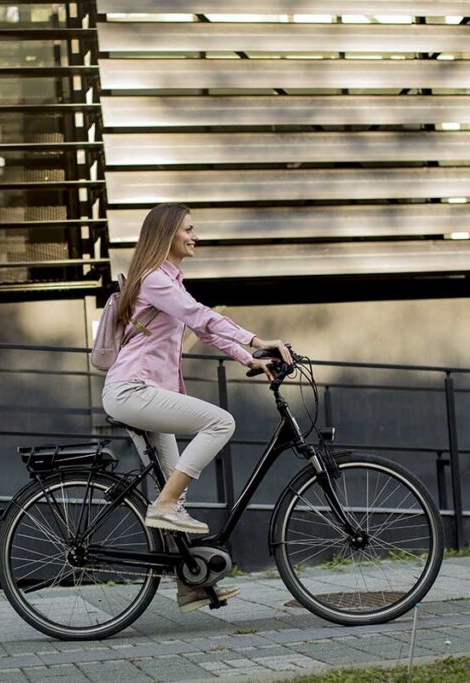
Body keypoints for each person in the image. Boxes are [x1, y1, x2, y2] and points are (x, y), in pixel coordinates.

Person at [101, 202, 292, 612]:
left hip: (144, 393)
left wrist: (249, 359)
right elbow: (200, 316)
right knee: (220, 423)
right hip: (133, 390)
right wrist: (258, 340)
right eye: (189, 228)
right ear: (167, 233)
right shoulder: (154, 279)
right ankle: (165, 503)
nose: (196, 235)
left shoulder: (166, 280)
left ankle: (189, 583)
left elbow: (201, 328)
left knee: (173, 498)